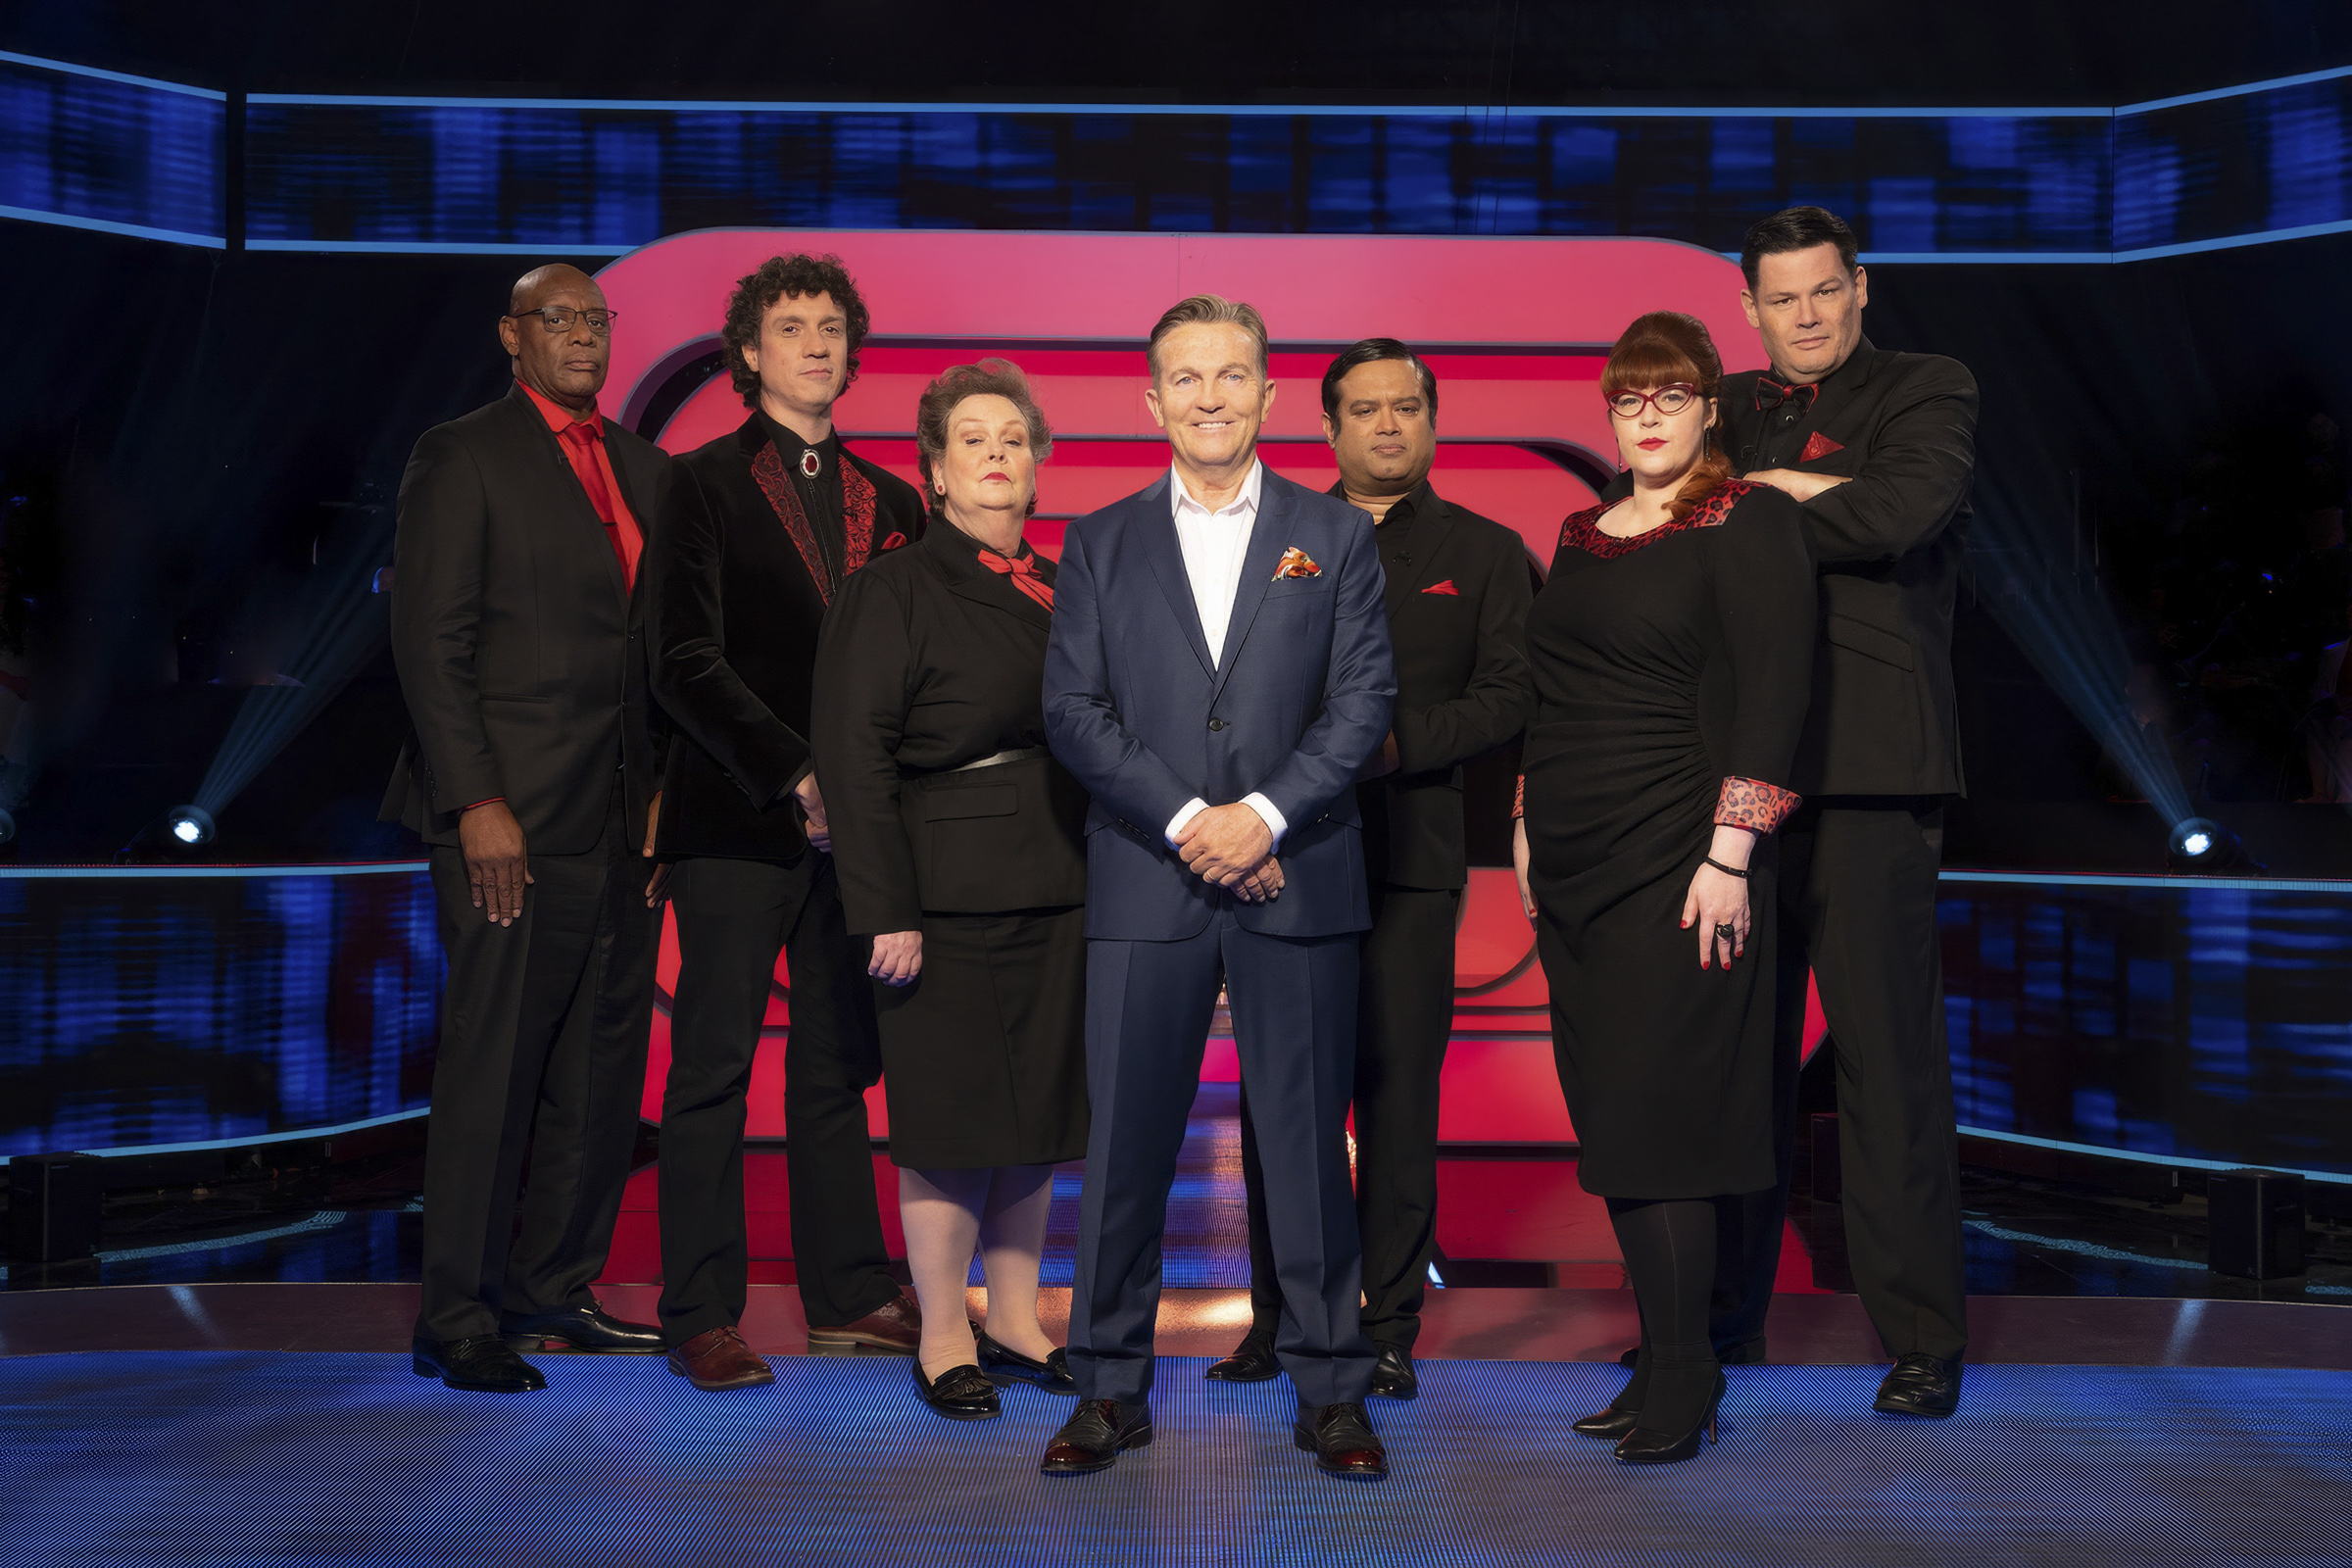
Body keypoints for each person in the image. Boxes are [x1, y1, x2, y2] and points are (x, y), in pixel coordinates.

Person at [1041, 295, 1396, 1481]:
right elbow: (1073, 711)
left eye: (1231, 374)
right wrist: (1199, 822)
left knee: (1307, 1149)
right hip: (1147, 875)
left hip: (1301, 870)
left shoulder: (1333, 534)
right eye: (1186, 378)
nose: (1210, 397)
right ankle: (1108, 1387)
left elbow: (1362, 701)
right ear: (1152, 400)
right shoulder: (1098, 541)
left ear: (1268, 394)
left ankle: (1332, 1388)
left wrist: (1267, 815)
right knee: (1125, 1149)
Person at [1513, 310, 1814, 1463]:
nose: (1647, 415)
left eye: (1671, 394)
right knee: (1615, 1119)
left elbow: (1777, 692)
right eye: (1629, 397)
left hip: (1682, 858)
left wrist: (1733, 853)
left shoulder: (1748, 518)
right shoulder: (1584, 532)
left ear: (1708, 407)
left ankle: (1688, 1373)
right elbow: (1552, 695)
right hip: (1576, 861)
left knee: (1667, 1120)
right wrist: (1527, 824)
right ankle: (1664, 1358)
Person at [1211, 339, 1532, 1399]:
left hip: (1411, 863)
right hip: (1286, 856)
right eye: (1365, 408)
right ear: (1328, 425)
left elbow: (1510, 695)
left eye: (1406, 407)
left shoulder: (1484, 551)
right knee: (1283, 1096)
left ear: (1432, 419)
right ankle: (1279, 1317)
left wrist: (1396, 745)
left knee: (1397, 1100)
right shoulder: (1276, 534)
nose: (1388, 425)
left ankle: (1387, 1323)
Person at [642, 253, 929, 1392]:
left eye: (830, 326)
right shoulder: (699, 483)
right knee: (711, 1067)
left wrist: (867, 792)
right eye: (790, 325)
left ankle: (849, 1292)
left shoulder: (895, 501)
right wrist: (796, 772)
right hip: (735, 816)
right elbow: (682, 659)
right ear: (749, 353)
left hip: (856, 833)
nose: (814, 342)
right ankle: (701, 1313)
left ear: (851, 352)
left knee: (835, 1066)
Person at [382, 263, 670, 1393]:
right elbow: (430, 641)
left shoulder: (642, 466)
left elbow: (656, 653)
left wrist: (662, 792)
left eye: (597, 319)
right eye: (559, 319)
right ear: (513, 335)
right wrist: (476, 798)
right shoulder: (462, 455)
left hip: (620, 819)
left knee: (598, 1070)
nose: (583, 335)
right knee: (494, 1064)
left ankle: (552, 1285)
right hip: (506, 817)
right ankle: (457, 1315)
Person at [1712, 206, 1978, 1419]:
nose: (1807, 314)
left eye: (1825, 290)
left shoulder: (1929, 385)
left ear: (1860, 287)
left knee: (1885, 1065)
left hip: (1871, 770)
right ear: (1751, 308)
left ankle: (1921, 1339)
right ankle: (1718, 1323)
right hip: (1735, 782)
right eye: (1783, 298)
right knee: (1732, 1065)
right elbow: (1657, 524)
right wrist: (1803, 487)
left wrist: (1759, 497)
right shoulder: (1723, 406)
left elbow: (1900, 510)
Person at [811, 360, 1091, 1422]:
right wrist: (884, 906)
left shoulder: (1065, 584)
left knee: (1036, 1116)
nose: (996, 455)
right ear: (934, 469)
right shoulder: (890, 589)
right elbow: (853, 756)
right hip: (940, 892)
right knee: (949, 1120)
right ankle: (942, 1335)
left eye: (1013, 439)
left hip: (1061, 877)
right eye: (972, 439)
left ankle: (1016, 1319)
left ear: (1037, 463)